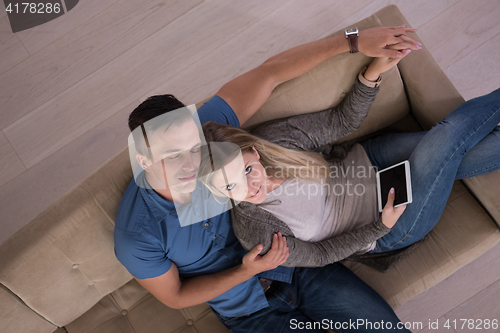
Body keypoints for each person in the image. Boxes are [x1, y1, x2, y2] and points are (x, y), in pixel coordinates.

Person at [114, 25, 421, 333]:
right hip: (249, 311)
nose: (190, 164)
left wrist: (352, 41)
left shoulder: (211, 137)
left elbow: (270, 73)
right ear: (144, 160)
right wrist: (245, 271)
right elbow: (175, 296)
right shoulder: (136, 236)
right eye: (171, 156)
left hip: (297, 265)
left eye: (193, 148)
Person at [198, 58, 500, 269]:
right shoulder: (255, 231)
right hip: (387, 223)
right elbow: (319, 254)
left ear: (254, 151)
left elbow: (340, 121)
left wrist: (372, 74)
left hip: (371, 160)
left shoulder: (274, 141)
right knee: (446, 141)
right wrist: (380, 227)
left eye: (248, 168)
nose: (249, 186)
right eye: (229, 185)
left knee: (452, 145)